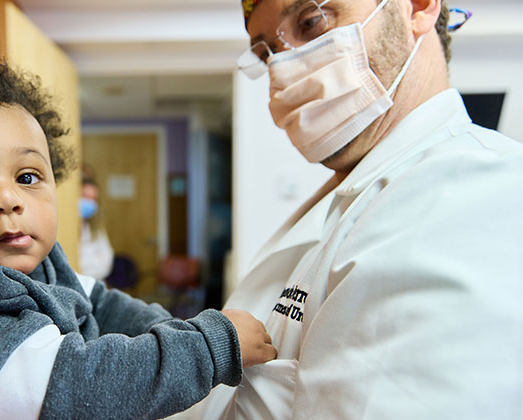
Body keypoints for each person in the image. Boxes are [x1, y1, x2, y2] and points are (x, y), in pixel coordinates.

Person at [0, 48, 277, 420]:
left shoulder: (39, 266)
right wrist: (210, 345)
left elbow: (99, 303)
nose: (6, 200)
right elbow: (79, 388)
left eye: (27, 176)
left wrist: (171, 329)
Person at [172, 0, 523, 418]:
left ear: (418, 8)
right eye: (267, 52)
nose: (283, 69)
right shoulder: (353, 191)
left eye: (310, 21)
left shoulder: (471, 194)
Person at [78, 176, 115, 281]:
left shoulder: (96, 228)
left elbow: (107, 263)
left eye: (93, 198)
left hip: (93, 284)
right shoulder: (65, 228)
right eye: (84, 196)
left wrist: (84, 267)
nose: (89, 202)